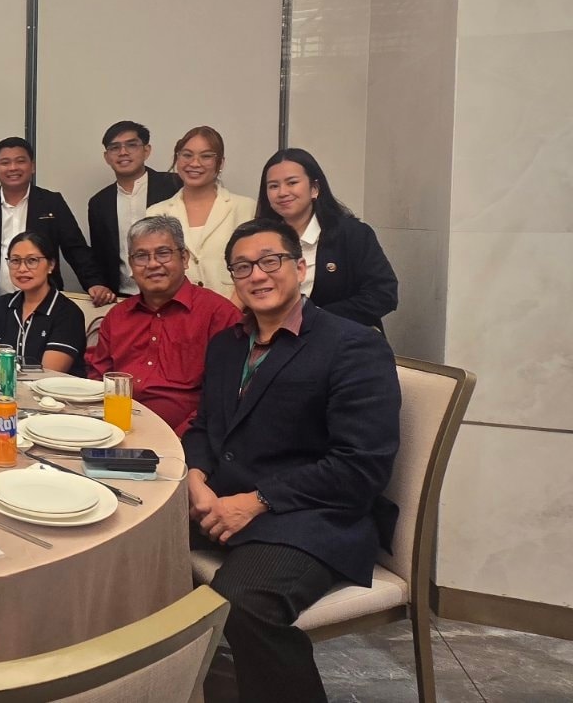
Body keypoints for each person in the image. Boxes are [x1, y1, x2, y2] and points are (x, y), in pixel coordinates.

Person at [183, 219, 400, 703]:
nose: (257, 275)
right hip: (222, 501)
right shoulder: (226, 346)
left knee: (242, 603)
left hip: (312, 518)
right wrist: (196, 477)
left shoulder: (354, 346)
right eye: (242, 267)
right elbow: (205, 427)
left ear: (300, 268)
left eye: (270, 261)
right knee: (127, 544)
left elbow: (361, 465)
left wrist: (256, 501)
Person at [84, 216, 240, 435]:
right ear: (131, 265)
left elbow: (221, 397)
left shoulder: (219, 315)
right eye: (141, 256)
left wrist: (181, 438)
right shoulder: (117, 316)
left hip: (184, 438)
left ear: (184, 258)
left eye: (163, 253)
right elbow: (98, 380)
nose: (153, 264)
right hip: (114, 431)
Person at [0, 137, 111, 336]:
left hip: (44, 304)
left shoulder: (51, 202)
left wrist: (94, 282)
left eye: (20, 161)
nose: (13, 167)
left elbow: (75, 248)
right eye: (5, 162)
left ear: (33, 166)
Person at [255, 148, 398, 329]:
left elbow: (383, 294)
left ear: (314, 188)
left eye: (292, 183)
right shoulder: (257, 239)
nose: (282, 192)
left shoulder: (352, 234)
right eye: (273, 186)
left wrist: (316, 318)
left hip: (340, 337)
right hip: (274, 337)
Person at [146, 127, 255, 299]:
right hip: (175, 311)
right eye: (187, 155)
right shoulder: (156, 213)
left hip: (234, 310)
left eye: (206, 156)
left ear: (220, 163)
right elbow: (150, 273)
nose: (195, 163)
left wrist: (230, 312)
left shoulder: (245, 208)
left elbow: (252, 270)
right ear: (177, 158)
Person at [87, 122, 182, 297]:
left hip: (173, 294)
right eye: (115, 147)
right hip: (124, 296)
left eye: (131, 145)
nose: (123, 152)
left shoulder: (174, 186)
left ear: (146, 150)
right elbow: (100, 256)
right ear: (107, 157)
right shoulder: (99, 203)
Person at [0, 231, 87, 377]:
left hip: (53, 391)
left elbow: (48, 374)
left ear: (51, 265)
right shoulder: (1, 305)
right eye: (15, 261)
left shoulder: (68, 313)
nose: (22, 269)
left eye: (32, 260)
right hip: (4, 388)